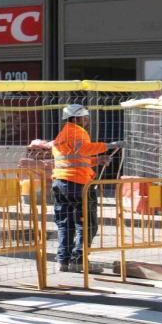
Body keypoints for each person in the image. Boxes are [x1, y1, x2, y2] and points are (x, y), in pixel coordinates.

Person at [51, 103, 108, 272]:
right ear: (76, 118)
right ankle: (78, 260)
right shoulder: (77, 131)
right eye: (85, 118)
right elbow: (84, 148)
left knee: (65, 224)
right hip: (78, 184)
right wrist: (109, 146)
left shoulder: (62, 134)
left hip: (61, 182)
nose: (87, 121)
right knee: (87, 224)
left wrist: (96, 161)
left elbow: (74, 158)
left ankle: (63, 261)